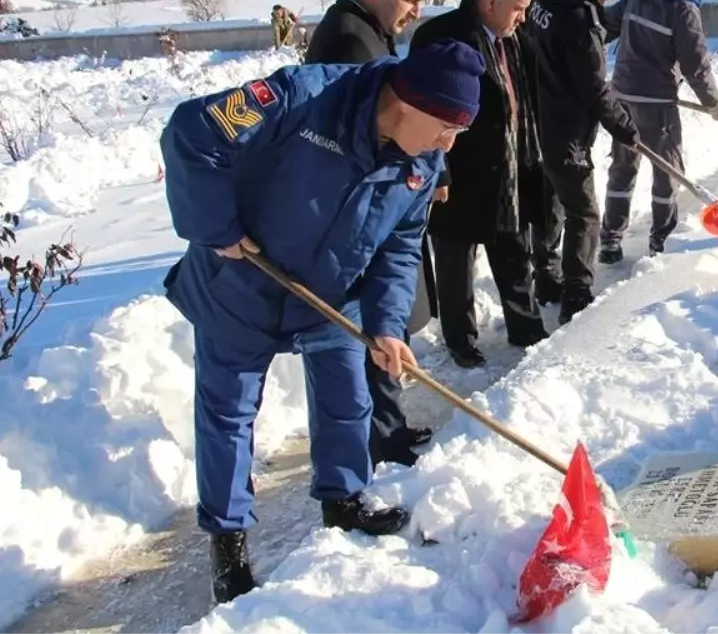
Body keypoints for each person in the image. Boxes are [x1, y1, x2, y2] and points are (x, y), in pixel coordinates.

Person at [159, 40, 486, 605]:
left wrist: (386, 324)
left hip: (333, 292)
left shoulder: (422, 162)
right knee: (227, 416)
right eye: (444, 127)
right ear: (406, 103)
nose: (447, 144)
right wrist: (217, 228)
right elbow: (191, 132)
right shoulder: (299, 97)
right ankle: (228, 543)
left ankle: (344, 497)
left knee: (347, 397)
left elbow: (401, 247)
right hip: (242, 282)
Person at [305, 0, 440, 466]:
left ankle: (387, 427)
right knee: (371, 322)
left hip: (369, 202)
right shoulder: (348, 41)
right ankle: (381, 436)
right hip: (355, 208)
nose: (415, 11)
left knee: (384, 317)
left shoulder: (368, 31)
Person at [409, 0, 549, 367]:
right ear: (491, 3)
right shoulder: (441, 36)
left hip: (508, 168)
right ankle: (460, 341)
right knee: (456, 262)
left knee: (514, 251)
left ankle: (527, 327)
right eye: (518, 9)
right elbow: (423, 115)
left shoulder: (514, 38)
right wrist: (439, 170)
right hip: (460, 173)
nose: (523, 18)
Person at [523, 0, 640, 324]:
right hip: (567, 127)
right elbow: (595, 88)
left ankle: (547, 276)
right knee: (585, 212)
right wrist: (625, 126)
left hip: (538, 113)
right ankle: (576, 294)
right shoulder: (580, 24)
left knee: (552, 201)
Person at [598, 0, 718, 263]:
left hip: (621, 96)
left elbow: (607, 25)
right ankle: (662, 240)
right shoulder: (684, 9)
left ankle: (610, 240)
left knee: (622, 169)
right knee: (666, 172)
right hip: (657, 103)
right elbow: (696, 66)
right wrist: (714, 105)